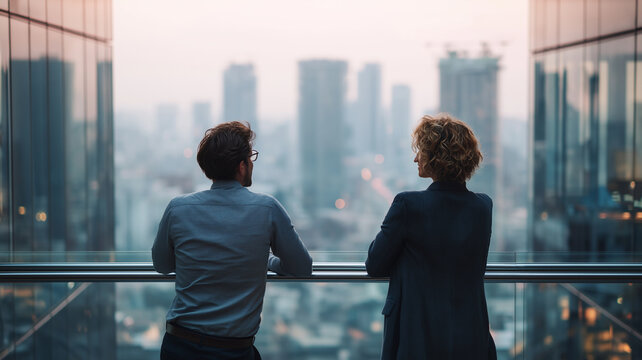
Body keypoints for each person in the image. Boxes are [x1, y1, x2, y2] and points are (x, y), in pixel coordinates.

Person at [152, 121, 312, 360]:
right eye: (251, 158)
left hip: (179, 345)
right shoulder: (267, 208)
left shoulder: (178, 208)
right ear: (242, 165)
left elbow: (162, 266)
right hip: (234, 351)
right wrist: (268, 262)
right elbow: (302, 267)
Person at [365, 114, 497, 359]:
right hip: (471, 334)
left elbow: (374, 264)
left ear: (436, 158)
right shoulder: (483, 207)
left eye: (422, 152)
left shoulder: (407, 205)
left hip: (418, 336)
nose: (416, 158)